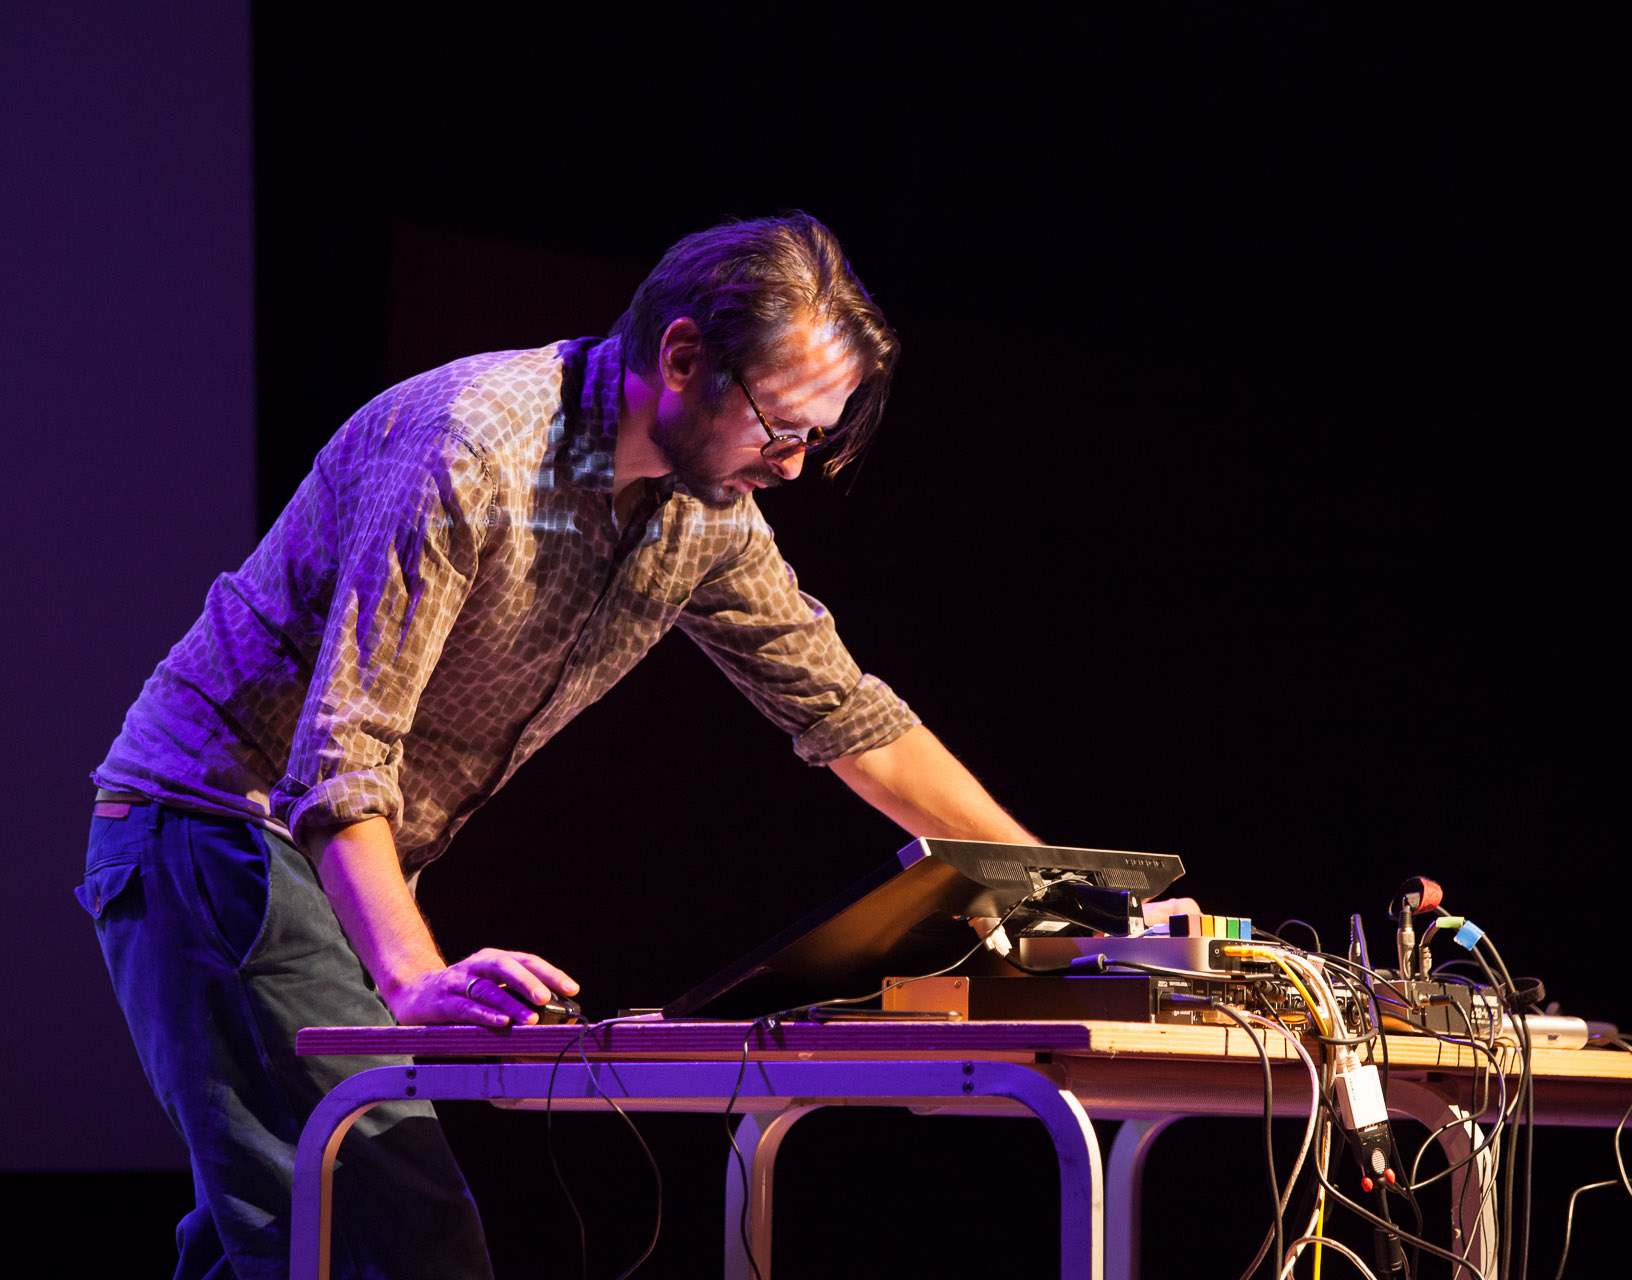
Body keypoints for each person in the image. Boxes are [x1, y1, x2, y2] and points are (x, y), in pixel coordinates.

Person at [77, 213, 1047, 1279]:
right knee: (396, 1237)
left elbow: (849, 716)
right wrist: (413, 977)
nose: (794, 463)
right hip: (217, 826)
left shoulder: (702, 514)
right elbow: (342, 754)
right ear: (683, 357)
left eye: (816, 437)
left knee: (288, 1231)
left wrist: (1053, 887)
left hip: (314, 859)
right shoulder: (471, 447)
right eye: (782, 426)